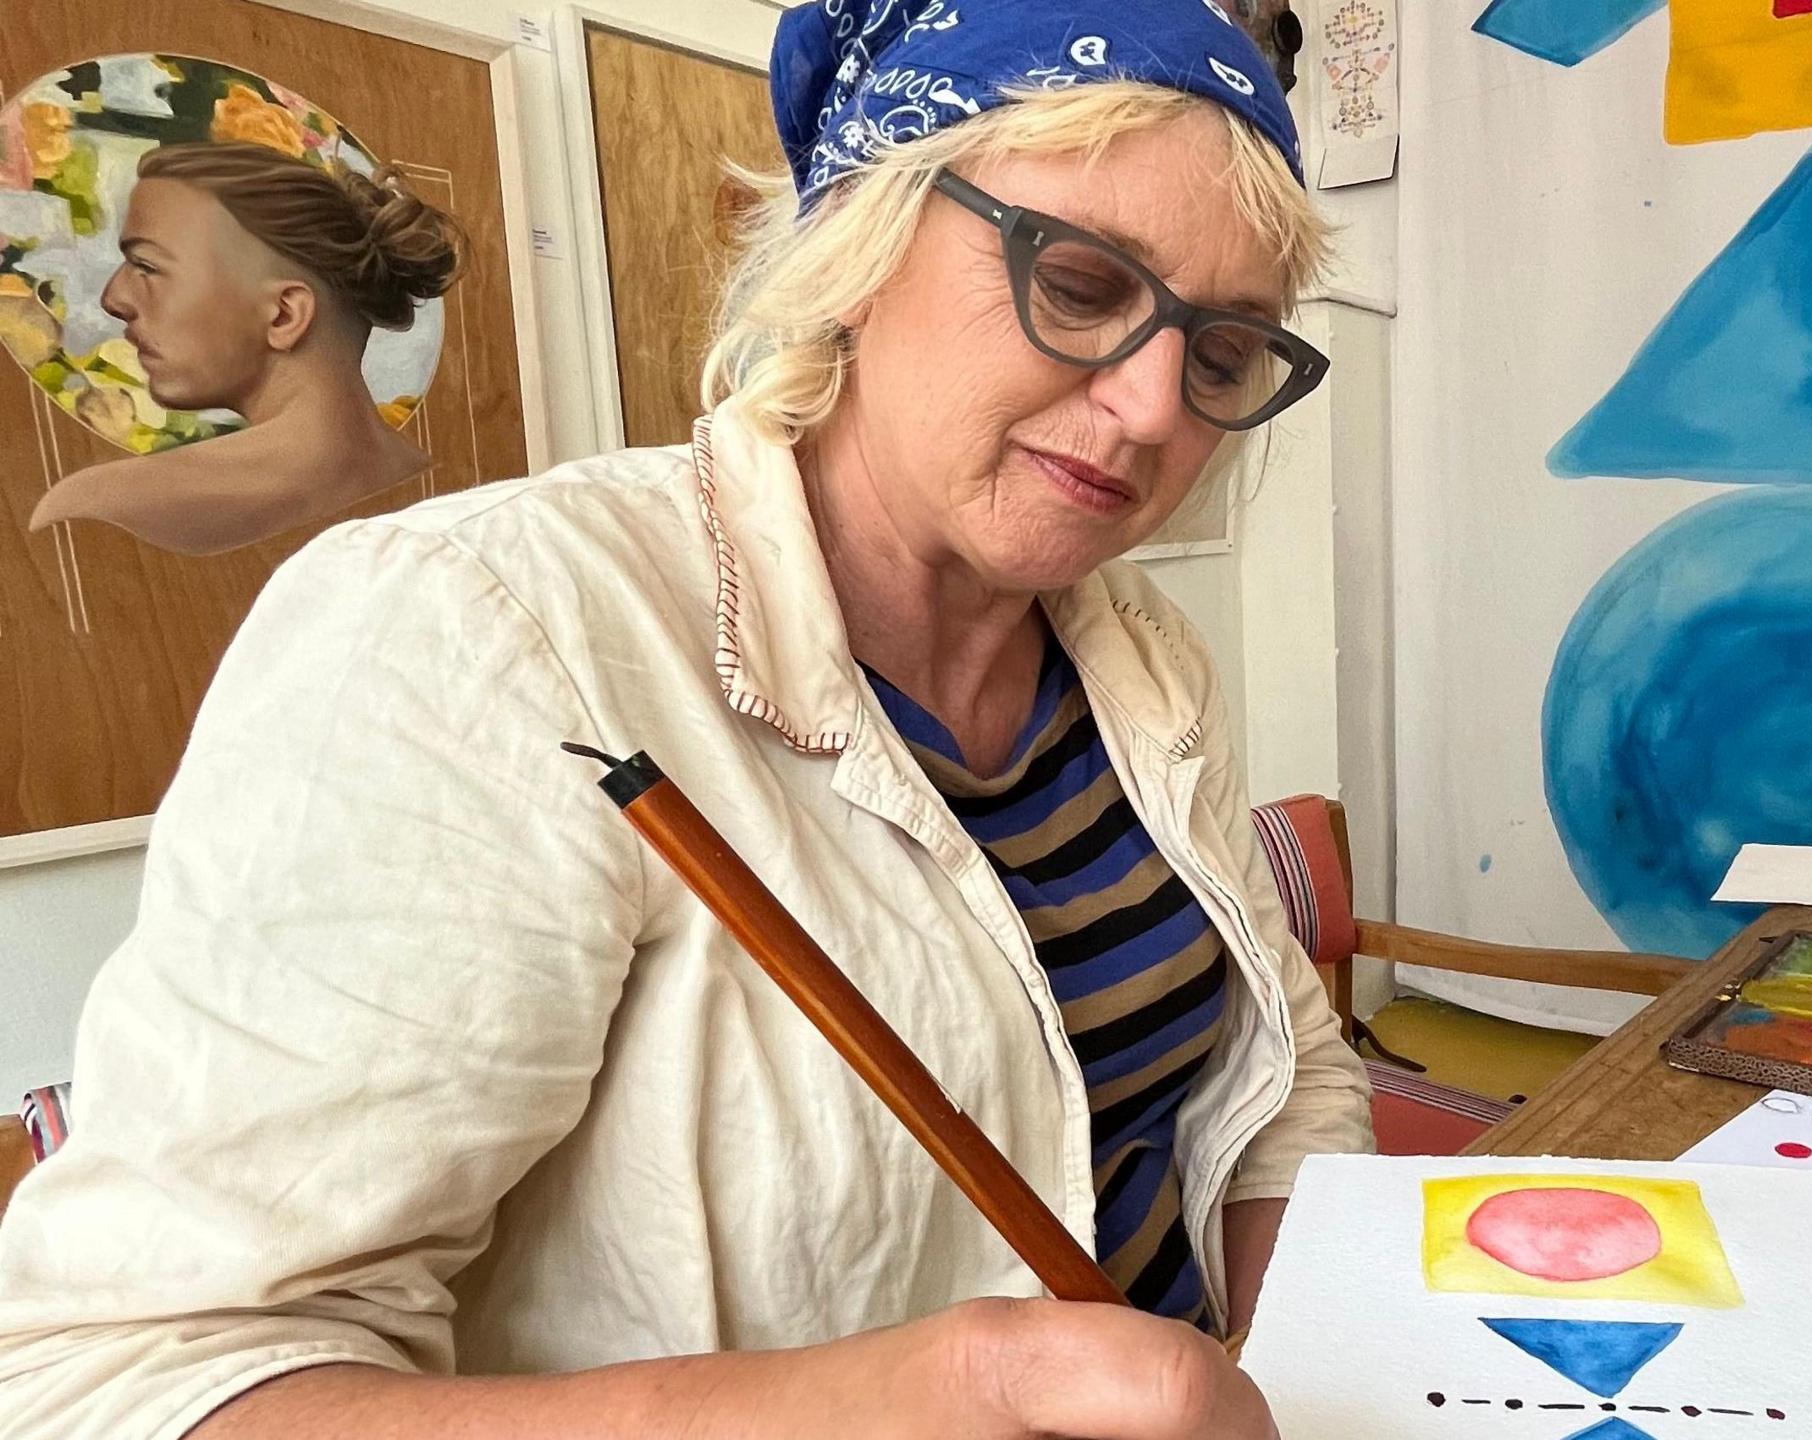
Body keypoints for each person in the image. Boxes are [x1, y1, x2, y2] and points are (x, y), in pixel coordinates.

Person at [0, 2, 1370, 1436]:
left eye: (1222, 355)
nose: (1157, 407)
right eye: (1080, 284)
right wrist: (946, 1389)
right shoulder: (480, 631)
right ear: (860, 242)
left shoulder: (1142, 654)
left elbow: (1284, 1065)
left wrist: (1317, 1365)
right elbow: (127, 1386)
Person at [25, 141, 458, 554]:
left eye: (146, 266)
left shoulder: (101, 509)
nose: (113, 299)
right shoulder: (452, 489)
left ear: (284, 315)